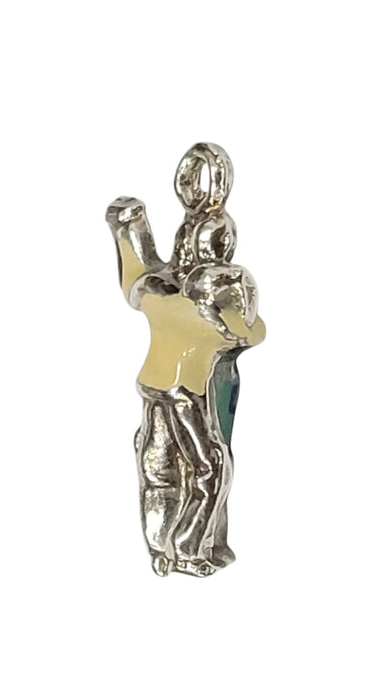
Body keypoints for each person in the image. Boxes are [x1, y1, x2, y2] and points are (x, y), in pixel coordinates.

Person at [106, 143, 265, 576]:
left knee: (157, 468)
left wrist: (129, 229)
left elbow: (133, 283)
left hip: (152, 387)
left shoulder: (158, 287)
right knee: (210, 468)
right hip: (186, 392)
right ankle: (190, 549)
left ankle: (161, 549)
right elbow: (248, 332)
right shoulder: (211, 293)